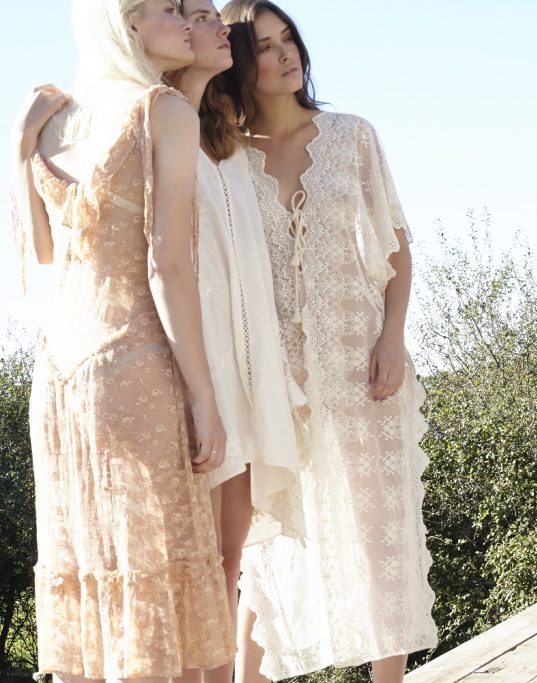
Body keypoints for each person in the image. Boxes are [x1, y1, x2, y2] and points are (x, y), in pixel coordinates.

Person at [10, 0, 236, 679]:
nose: (184, 22)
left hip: (59, 378)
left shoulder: (55, 122)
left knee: (95, 582)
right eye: (169, 9)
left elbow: (43, 250)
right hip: (135, 364)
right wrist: (203, 395)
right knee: (160, 589)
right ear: (128, 22)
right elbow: (168, 264)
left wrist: (17, 150)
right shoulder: (160, 110)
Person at [217, 2, 437, 681]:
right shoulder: (225, 158)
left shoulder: (352, 136)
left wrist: (392, 339)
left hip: (360, 362)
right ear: (239, 62)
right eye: (265, 46)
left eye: (290, 41)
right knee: (271, 538)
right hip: (271, 379)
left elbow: (397, 250)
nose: (285, 55)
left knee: (379, 536)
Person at [165, 2, 306, 682]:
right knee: (191, 562)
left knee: (230, 554)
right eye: (195, 14)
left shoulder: (227, 138)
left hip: (247, 371)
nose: (215, 26)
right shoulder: (159, 127)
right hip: (196, 367)